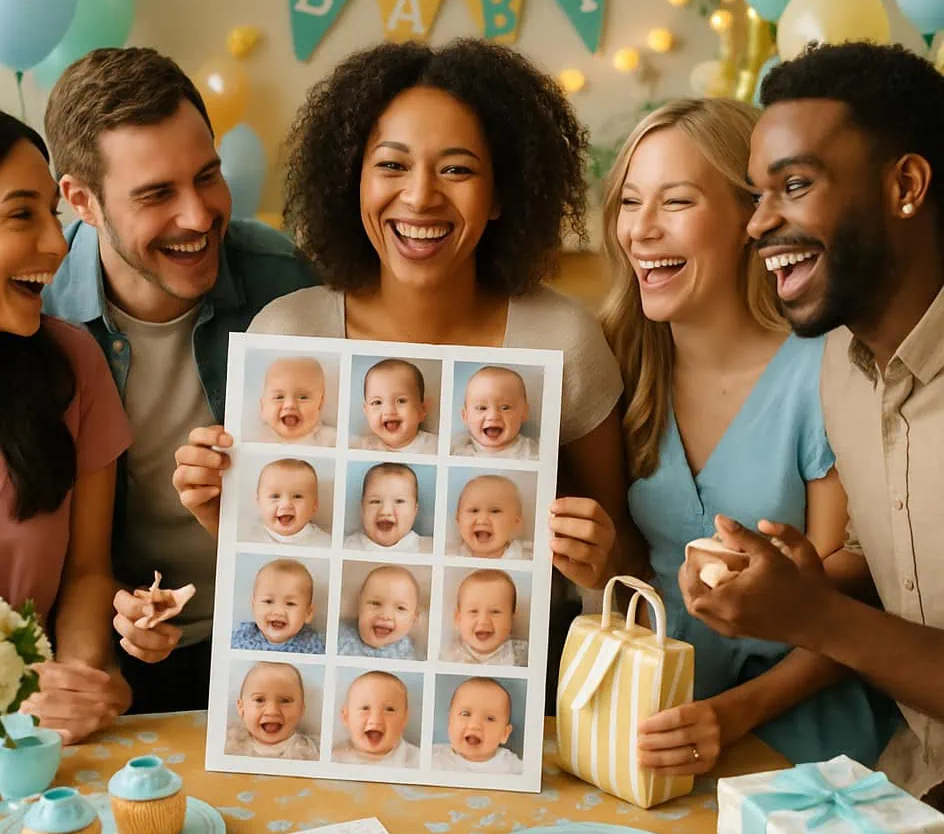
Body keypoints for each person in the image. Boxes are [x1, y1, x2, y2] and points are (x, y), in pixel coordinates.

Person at [169, 40, 638, 698]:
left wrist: (599, 555)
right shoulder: (289, 335)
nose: (420, 197)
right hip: (325, 699)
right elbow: (280, 564)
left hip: (510, 702)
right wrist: (225, 516)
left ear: (503, 193)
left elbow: (622, 568)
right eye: (391, 164)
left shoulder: (561, 339)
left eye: (457, 170)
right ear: (351, 179)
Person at [679, 42, 944, 806]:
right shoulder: (840, 362)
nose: (760, 223)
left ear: (906, 185)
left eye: (794, 185)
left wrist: (815, 615)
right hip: (911, 784)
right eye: (758, 194)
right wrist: (791, 584)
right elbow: (890, 560)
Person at [598, 97, 896, 775]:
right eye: (629, 202)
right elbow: (625, 560)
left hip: (797, 735)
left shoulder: (823, 371)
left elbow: (844, 609)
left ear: (749, 218)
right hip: (658, 723)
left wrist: (734, 715)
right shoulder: (619, 360)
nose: (640, 231)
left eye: (675, 202)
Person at [40, 47, 315, 712]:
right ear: (82, 200)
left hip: (282, 644)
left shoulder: (286, 282)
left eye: (207, 176)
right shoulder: (38, 316)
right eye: (157, 194)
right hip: (120, 658)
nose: (198, 216)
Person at [0, 101, 132, 743]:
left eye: (53, 214)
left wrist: (75, 678)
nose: (55, 244)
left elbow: (89, 572)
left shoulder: (74, 366)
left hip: (44, 758)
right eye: (21, 215)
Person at [225, 661, 319, 760]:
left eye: (285, 701)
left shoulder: (312, 752)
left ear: (301, 709)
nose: (272, 711)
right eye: (259, 700)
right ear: (241, 708)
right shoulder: (229, 746)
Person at [231, 558, 324, 653]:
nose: (278, 611)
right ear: (253, 607)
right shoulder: (241, 637)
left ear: (308, 613)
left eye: (290, 604)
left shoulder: (311, 646)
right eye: (268, 601)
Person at [431, 678, 522, 774]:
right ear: (450, 722)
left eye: (489, 719)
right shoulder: (436, 757)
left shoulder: (510, 765)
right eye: (465, 714)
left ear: (505, 734)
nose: (475, 725)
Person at [441, 568, 529, 666]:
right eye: (473, 611)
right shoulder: (447, 656)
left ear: (511, 618)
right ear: (458, 618)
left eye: (495, 612)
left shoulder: (523, 656)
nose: (483, 621)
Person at [332, 671, 419, 767]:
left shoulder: (418, 761)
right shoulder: (334, 757)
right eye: (365, 708)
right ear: (346, 717)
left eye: (389, 710)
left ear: (404, 718)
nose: (376, 720)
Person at [337, 564, 422, 659]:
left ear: (414, 619)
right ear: (359, 606)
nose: (385, 615)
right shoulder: (339, 634)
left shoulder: (407, 654)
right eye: (375, 603)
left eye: (400, 608)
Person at [453, 366, 538, 459]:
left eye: (505, 408)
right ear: (465, 416)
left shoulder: (531, 452)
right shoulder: (458, 450)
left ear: (524, 412)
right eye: (482, 408)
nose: (493, 416)